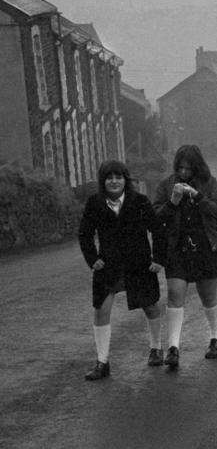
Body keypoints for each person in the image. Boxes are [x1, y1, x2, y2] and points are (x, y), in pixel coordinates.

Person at [78, 160, 166, 380]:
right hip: (108, 266)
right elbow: (84, 234)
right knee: (101, 310)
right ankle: (102, 362)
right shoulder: (94, 203)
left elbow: (158, 230)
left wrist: (158, 259)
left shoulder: (140, 202)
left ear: (125, 180)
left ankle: (156, 348)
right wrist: (93, 259)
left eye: (118, 177)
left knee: (150, 307)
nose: (114, 181)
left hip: (139, 264)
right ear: (103, 181)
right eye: (109, 177)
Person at [152, 144, 217, 369]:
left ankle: (216, 339)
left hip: (205, 246)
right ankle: (173, 348)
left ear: (197, 167)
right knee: (175, 295)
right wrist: (172, 202)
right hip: (176, 248)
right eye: (180, 168)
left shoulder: (209, 183)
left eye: (188, 168)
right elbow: (155, 217)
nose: (184, 173)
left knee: (208, 297)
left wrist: (198, 197)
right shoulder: (166, 185)